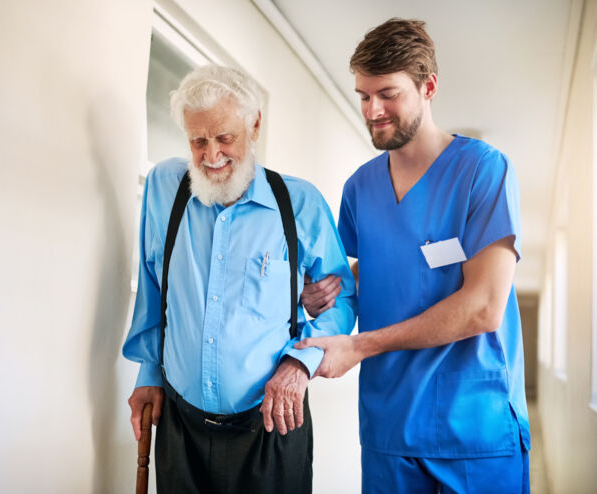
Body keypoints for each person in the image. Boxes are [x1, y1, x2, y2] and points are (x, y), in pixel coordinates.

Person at [297, 18, 530, 493]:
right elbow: (381, 266)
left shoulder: (482, 171)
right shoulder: (360, 188)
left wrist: (359, 346)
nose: (373, 110)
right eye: (363, 96)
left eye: (388, 93)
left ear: (429, 87)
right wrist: (324, 291)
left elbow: (485, 307)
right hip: (389, 426)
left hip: (474, 428)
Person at [122, 64, 356, 494]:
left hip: (271, 425)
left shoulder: (299, 203)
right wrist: (148, 373)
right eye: (198, 141)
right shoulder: (164, 188)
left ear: (255, 125)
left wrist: (300, 363)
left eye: (224, 138)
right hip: (181, 425)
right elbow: (154, 290)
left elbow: (341, 301)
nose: (211, 156)